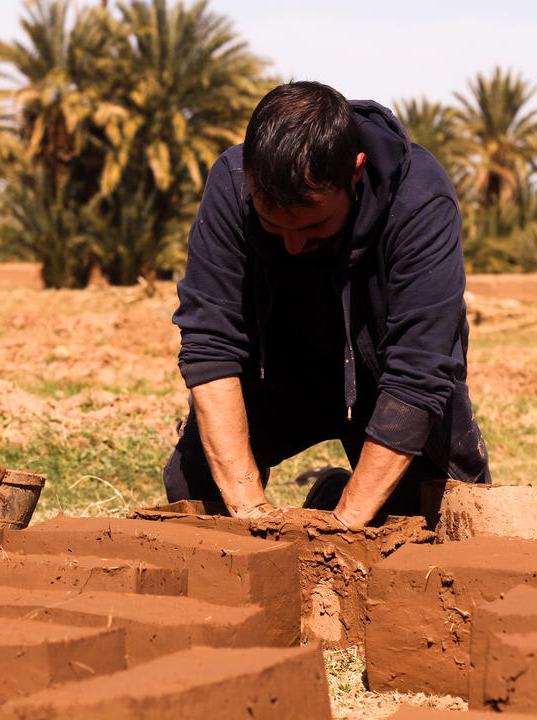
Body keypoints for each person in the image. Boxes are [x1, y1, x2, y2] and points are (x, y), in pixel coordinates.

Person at [163, 80, 490, 527]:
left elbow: (420, 373)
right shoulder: (232, 182)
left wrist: (340, 529)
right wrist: (250, 513)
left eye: (313, 226)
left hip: (384, 382)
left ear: (354, 173)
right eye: (272, 226)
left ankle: (336, 494)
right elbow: (210, 347)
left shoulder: (420, 200)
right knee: (195, 489)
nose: (293, 246)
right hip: (276, 376)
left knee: (437, 517)